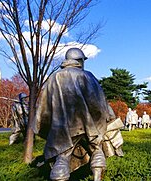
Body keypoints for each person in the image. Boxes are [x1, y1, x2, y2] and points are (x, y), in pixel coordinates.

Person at [33, 48, 113, 181]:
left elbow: (44, 106)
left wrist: (46, 126)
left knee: (62, 156)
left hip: (61, 127)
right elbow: (97, 102)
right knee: (97, 148)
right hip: (88, 125)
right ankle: (97, 178)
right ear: (80, 60)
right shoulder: (87, 76)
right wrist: (103, 119)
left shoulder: (53, 78)